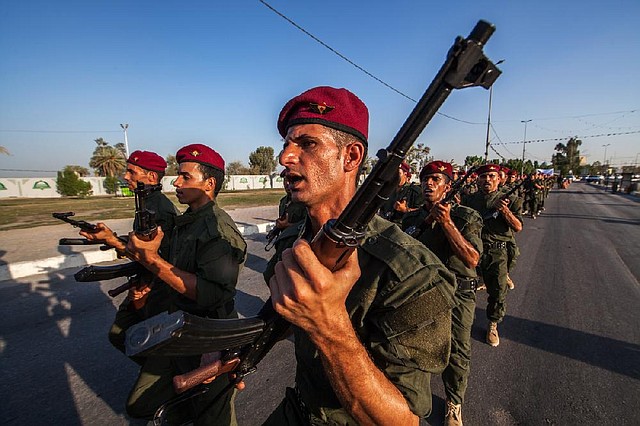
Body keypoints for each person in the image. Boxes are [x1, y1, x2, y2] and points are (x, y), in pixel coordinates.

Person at [262, 86, 457, 425]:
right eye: (286, 144)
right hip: (297, 411)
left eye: (307, 144)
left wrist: (329, 326)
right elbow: (281, 315)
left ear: (351, 157)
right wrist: (234, 353)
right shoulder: (296, 239)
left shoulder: (412, 272)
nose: (285, 158)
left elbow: (405, 421)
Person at [125, 144, 247, 425]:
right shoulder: (187, 222)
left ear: (209, 184)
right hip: (178, 327)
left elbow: (212, 294)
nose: (176, 182)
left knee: (212, 417)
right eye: (177, 176)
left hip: (209, 336)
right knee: (140, 404)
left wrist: (152, 260)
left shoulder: (218, 231)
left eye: (185, 177)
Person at [402, 161, 483, 426]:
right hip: (423, 294)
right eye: (426, 179)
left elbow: (472, 258)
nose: (429, 183)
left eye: (436, 179)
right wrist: (425, 222)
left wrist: (447, 224)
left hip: (458, 295)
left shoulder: (466, 217)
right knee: (417, 350)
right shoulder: (412, 218)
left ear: (448, 186)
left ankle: (454, 403)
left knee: (457, 351)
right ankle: (414, 402)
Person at [80, 150, 179, 357]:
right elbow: (141, 244)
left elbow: (155, 256)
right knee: (122, 335)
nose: (126, 177)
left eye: (132, 172)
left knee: (139, 339)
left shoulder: (159, 209)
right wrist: (113, 238)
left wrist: (112, 241)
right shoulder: (146, 203)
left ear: (151, 177)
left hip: (155, 288)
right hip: (145, 283)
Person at [462, 164, 523, 347]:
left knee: (497, 291)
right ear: (478, 180)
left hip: (497, 252)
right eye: (483, 177)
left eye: (491, 176)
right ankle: (463, 323)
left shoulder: (511, 200)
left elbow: (518, 227)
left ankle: (493, 324)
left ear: (499, 179)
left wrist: (504, 210)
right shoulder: (469, 200)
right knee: (465, 288)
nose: (487, 180)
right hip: (473, 251)